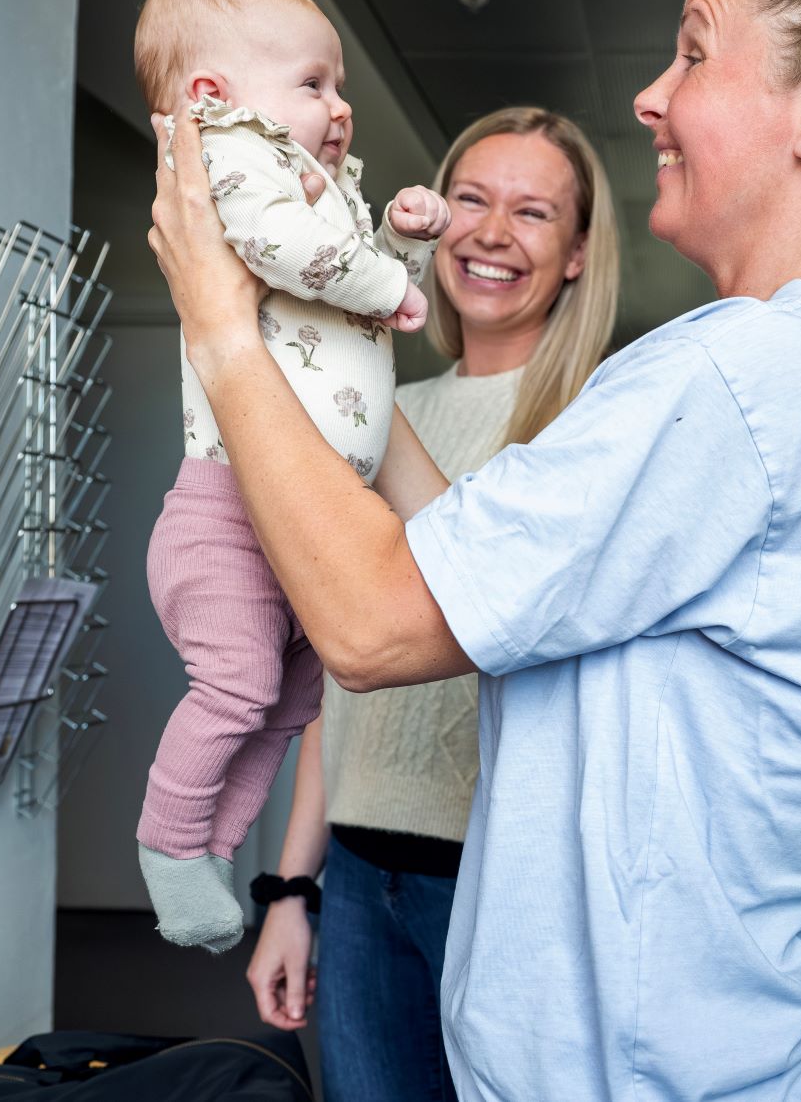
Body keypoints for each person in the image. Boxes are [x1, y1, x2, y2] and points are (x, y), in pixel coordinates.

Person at [149, 0, 801, 1101]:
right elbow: (476, 548)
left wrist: (220, 329)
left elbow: (366, 624)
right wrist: (334, 353)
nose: (650, 95)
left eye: (692, 52)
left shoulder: (740, 382)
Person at [244, 108, 621, 1101]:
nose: (492, 232)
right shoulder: (392, 411)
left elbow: (509, 622)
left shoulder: (598, 420)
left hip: (511, 887)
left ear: (579, 253)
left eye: (534, 212)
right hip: (363, 881)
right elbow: (341, 672)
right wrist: (294, 886)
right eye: (471, 199)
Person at [129, 0, 453, 951]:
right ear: (214, 94)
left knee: (292, 698)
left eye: (339, 84)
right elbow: (279, 248)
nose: (340, 104)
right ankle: (168, 839)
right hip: (229, 516)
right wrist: (380, 281)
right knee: (235, 686)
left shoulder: (310, 183)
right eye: (314, 83)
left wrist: (398, 247)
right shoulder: (222, 155)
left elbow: (347, 293)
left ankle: (218, 846)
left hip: (304, 514)